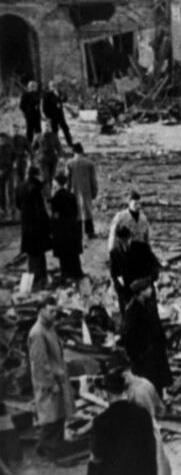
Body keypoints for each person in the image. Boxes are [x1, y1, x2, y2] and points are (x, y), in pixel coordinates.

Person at [88, 369, 157, 475]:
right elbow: (151, 449)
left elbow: (96, 456)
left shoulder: (101, 421)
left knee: (93, 464)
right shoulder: (143, 413)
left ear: (106, 393)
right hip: (142, 471)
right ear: (124, 390)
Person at [28, 296, 73, 460]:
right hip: (49, 382)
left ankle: (51, 446)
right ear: (41, 311)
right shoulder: (37, 333)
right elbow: (39, 362)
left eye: (55, 311)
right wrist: (50, 383)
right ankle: (49, 450)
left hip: (58, 378)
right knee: (51, 418)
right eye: (51, 311)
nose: (54, 314)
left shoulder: (49, 328)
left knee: (58, 415)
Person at [121, 279, 173, 394]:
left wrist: (163, 341)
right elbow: (129, 336)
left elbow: (156, 325)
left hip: (155, 351)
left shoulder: (149, 304)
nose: (151, 290)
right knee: (147, 384)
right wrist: (136, 356)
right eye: (148, 288)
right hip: (143, 354)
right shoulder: (132, 310)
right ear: (141, 291)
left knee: (157, 383)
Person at [109, 225, 161, 316]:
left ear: (131, 237)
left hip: (144, 289)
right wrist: (123, 290)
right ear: (118, 240)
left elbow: (155, 266)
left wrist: (146, 281)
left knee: (149, 317)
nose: (125, 243)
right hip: (127, 292)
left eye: (126, 240)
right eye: (122, 241)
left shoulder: (143, 248)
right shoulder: (115, 253)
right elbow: (114, 275)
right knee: (129, 317)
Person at [16, 166, 50, 291]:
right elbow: (41, 210)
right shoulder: (36, 188)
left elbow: (18, 204)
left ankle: (31, 281)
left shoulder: (20, 186)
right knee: (39, 255)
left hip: (26, 224)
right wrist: (48, 226)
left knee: (31, 255)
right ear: (37, 175)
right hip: (37, 226)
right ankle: (41, 280)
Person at [49, 172, 83, 280]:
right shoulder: (71, 196)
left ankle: (66, 275)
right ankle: (77, 274)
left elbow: (55, 215)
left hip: (61, 230)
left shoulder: (56, 198)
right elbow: (76, 212)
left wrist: (52, 229)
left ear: (57, 183)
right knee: (73, 254)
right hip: (72, 229)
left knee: (63, 255)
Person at [66, 143, 98, 238]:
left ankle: (77, 232)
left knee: (76, 211)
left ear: (73, 151)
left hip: (74, 189)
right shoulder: (89, 163)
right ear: (82, 150)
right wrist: (95, 190)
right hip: (86, 189)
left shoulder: (70, 163)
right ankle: (89, 232)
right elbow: (93, 179)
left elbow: (67, 180)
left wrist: (67, 191)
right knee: (87, 210)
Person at [32, 126, 61, 199]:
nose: (47, 127)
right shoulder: (39, 136)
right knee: (45, 177)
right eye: (46, 125)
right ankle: (45, 194)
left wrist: (60, 156)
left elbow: (59, 147)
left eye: (48, 125)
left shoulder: (54, 136)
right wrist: (35, 157)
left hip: (53, 159)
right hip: (43, 159)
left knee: (51, 177)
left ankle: (49, 194)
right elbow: (33, 148)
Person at [42, 81, 73, 147]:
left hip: (60, 115)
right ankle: (55, 145)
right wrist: (48, 116)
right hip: (52, 116)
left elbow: (64, 100)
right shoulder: (47, 95)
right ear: (49, 86)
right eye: (52, 85)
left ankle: (70, 143)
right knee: (55, 130)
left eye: (54, 85)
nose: (53, 87)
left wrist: (64, 95)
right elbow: (44, 107)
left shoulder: (59, 92)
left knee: (65, 128)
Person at [0, 133, 12, 218]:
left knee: (8, 190)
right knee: (2, 190)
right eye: (1, 139)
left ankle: (8, 208)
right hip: (1, 170)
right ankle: (3, 208)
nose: (2, 140)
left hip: (8, 169)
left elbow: (13, 158)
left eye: (3, 139)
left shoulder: (9, 147)